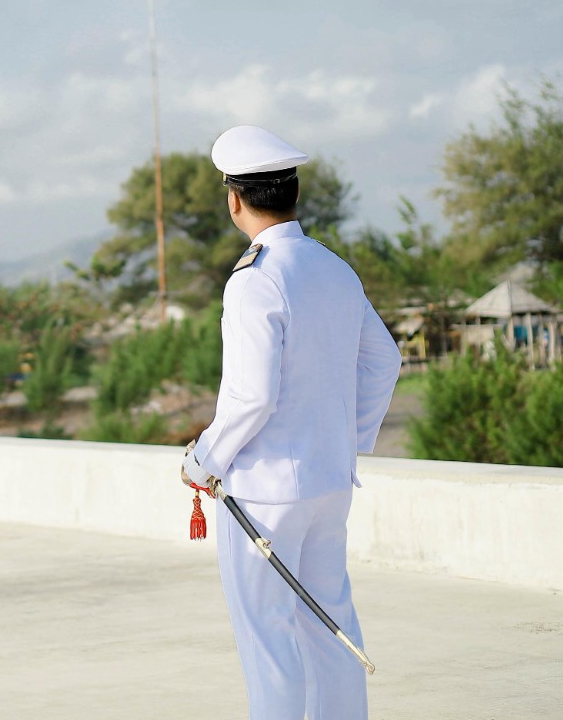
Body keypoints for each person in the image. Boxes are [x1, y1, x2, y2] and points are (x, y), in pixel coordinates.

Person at [181, 126, 401, 720]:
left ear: (234, 200)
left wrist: (202, 461)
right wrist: (346, 440)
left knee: (270, 647)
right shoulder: (334, 267)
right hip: (330, 481)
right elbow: (385, 360)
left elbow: (251, 397)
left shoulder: (255, 278)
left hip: (266, 494)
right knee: (330, 627)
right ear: (294, 193)